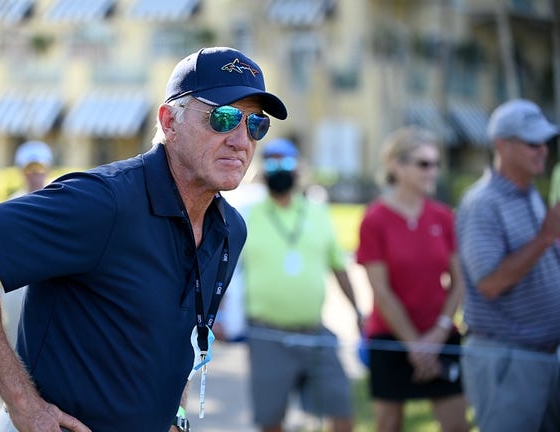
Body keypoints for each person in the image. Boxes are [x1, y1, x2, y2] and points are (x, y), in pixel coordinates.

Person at [0, 46, 287, 432]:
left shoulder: (230, 228)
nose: (240, 139)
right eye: (224, 117)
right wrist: (23, 404)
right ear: (169, 122)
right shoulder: (103, 202)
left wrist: (174, 415)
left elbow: (178, 341)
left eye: (255, 125)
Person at [235, 138, 360, 432]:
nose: (280, 168)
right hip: (266, 333)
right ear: (263, 169)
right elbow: (228, 274)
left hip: (314, 331)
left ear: (299, 167)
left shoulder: (317, 212)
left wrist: (358, 310)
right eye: (273, 162)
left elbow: (339, 268)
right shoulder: (247, 214)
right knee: (271, 420)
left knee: (342, 409)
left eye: (287, 161)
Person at [456, 99, 560, 432]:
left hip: (540, 356)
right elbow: (489, 283)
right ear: (503, 145)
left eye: (545, 141)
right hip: (507, 359)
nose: (542, 150)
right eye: (533, 142)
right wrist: (545, 237)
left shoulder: (528, 193)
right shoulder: (483, 203)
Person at [356, 127, 468, 432]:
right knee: (389, 425)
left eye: (435, 164)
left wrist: (437, 335)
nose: (432, 171)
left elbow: (459, 282)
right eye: (423, 163)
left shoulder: (444, 217)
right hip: (391, 338)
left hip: (441, 335)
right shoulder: (375, 219)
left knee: (458, 424)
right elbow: (380, 289)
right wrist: (415, 346)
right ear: (396, 165)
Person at [0, 140, 55, 349]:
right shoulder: (12, 205)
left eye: (39, 167)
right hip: (18, 287)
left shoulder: (59, 200)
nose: (35, 174)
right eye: (29, 168)